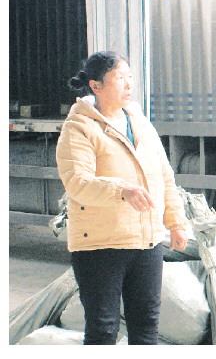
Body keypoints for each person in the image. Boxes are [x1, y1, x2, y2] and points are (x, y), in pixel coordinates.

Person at [56, 51, 188, 344]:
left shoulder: (139, 121)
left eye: (130, 77)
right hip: (100, 245)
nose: (129, 84)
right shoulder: (79, 127)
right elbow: (78, 182)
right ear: (96, 86)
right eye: (120, 78)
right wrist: (122, 190)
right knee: (103, 329)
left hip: (146, 242)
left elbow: (164, 175)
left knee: (147, 326)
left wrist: (176, 222)